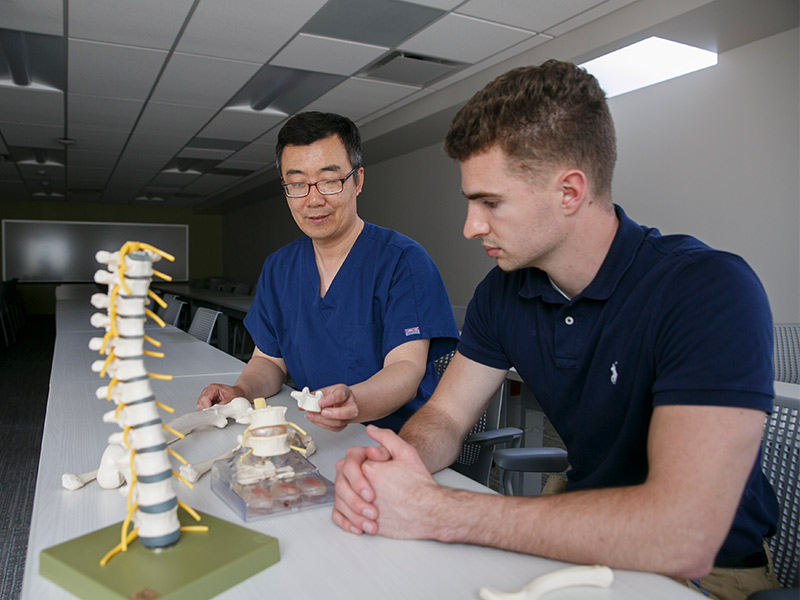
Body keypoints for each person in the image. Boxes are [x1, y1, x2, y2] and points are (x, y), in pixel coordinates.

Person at [332, 60, 780, 600]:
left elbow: (684, 534)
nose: (471, 226)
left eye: (490, 203)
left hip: (702, 573)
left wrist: (440, 510)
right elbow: (446, 416)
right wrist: (398, 463)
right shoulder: (503, 291)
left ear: (569, 191)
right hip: (575, 530)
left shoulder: (709, 289)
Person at [197, 112, 459, 433]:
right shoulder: (279, 268)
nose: (314, 199)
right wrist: (240, 391)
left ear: (357, 181)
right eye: (297, 184)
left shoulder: (402, 261)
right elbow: (268, 361)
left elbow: (406, 368)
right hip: (318, 434)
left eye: (329, 180)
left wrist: (354, 402)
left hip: (395, 440)